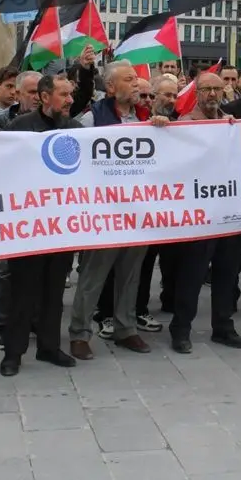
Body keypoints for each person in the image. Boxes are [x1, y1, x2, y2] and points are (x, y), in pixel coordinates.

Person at [69, 61, 168, 360]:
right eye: (129, 79)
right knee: (93, 276)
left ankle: (126, 329)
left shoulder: (145, 117)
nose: (137, 84)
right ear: (110, 88)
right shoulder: (92, 119)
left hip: (137, 212)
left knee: (131, 273)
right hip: (104, 213)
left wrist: (162, 129)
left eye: (136, 79)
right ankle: (79, 333)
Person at [0, 75, 81, 375]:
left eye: (71, 94)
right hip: (28, 228)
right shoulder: (19, 128)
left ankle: (49, 347)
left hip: (61, 228)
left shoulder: (75, 130)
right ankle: (13, 353)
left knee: (54, 292)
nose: (70, 100)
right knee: (22, 293)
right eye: (63, 95)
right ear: (45, 97)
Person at [169, 71, 241, 352]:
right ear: (197, 93)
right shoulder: (184, 124)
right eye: (206, 89)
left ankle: (223, 327)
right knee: (192, 274)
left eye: (218, 88)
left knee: (227, 273)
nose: (213, 94)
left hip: (227, 211)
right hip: (200, 214)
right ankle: (181, 329)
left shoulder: (231, 124)